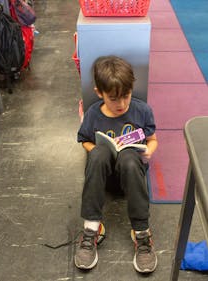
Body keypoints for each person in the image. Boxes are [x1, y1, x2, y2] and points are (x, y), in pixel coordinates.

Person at [75, 55, 158, 273]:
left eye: (126, 96)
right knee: (99, 153)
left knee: (130, 158)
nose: (121, 104)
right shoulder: (94, 115)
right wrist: (101, 153)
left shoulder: (142, 110)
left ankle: (141, 233)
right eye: (113, 98)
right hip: (105, 178)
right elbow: (84, 140)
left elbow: (152, 139)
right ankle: (91, 229)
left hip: (132, 176)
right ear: (99, 93)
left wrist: (148, 151)